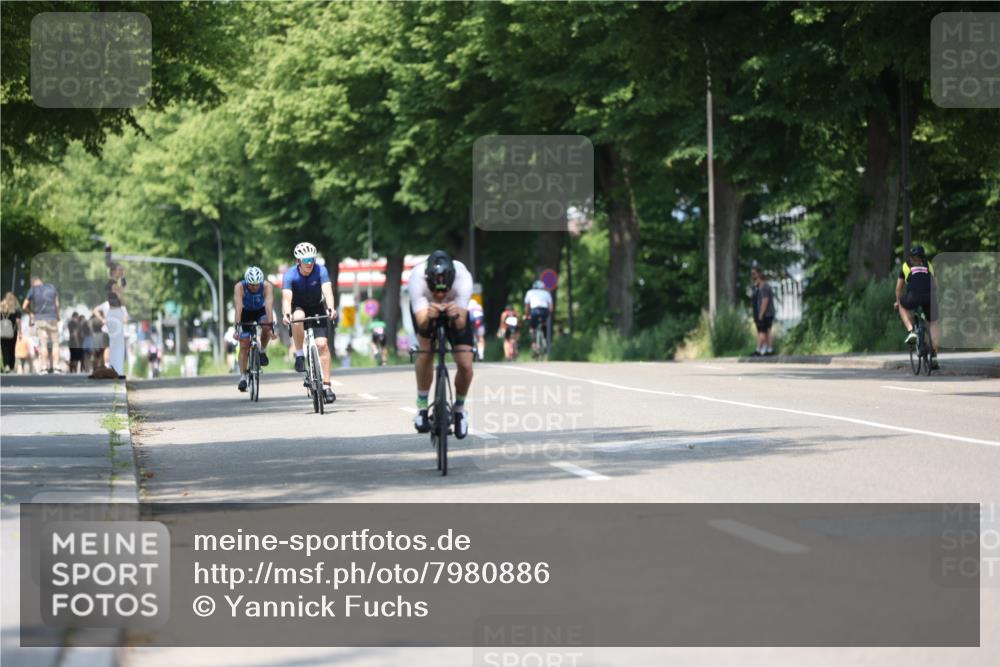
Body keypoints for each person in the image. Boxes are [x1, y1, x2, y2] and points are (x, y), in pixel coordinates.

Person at [409, 250, 474, 438]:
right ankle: (422, 407)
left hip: (455, 310)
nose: (440, 294)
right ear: (428, 280)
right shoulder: (417, 278)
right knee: (425, 351)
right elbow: (422, 324)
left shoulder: (463, 277)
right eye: (435, 290)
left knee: (465, 364)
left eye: (444, 290)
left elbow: (461, 324)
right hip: (426, 311)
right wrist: (429, 315)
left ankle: (459, 410)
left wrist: (455, 315)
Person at [281, 242, 338, 404]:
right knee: (298, 316)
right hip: (298, 306)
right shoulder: (290, 274)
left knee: (322, 345)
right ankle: (299, 354)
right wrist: (286, 314)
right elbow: (286, 298)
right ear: (298, 261)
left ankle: (327, 386)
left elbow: (328, 292)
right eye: (306, 260)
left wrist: (331, 308)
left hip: (316, 307)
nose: (309, 263)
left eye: (312, 259)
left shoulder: (321, 270)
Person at [895, 245, 940, 370]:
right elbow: (936, 285)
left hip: (913, 296)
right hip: (929, 297)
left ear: (910, 257)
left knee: (902, 305)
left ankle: (911, 331)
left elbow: (898, 289)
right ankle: (934, 357)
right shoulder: (928, 265)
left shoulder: (905, 266)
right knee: (934, 323)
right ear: (923, 257)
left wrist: (897, 302)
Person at [234, 266, 274, 392]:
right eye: (251, 285)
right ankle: (243, 377)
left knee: (266, 325)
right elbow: (238, 307)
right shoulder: (240, 287)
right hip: (245, 312)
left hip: (260, 310)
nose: (254, 287)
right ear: (247, 282)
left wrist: (271, 327)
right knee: (244, 343)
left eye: (257, 284)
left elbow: (269, 306)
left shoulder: (266, 286)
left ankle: (262, 351)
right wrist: (237, 328)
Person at [22, 276, 61, 373]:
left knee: (43, 344)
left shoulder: (33, 290)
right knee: (55, 343)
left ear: (33, 283)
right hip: (52, 317)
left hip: (40, 319)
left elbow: (24, 306)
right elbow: (57, 305)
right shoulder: (52, 287)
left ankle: (44, 368)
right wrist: (57, 316)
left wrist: (31, 313)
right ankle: (56, 367)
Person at [94, 294, 128, 378]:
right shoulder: (121, 307)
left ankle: (108, 366)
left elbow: (95, 310)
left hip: (108, 330)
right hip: (116, 332)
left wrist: (103, 319)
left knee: (108, 348)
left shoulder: (106, 304)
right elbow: (126, 319)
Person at [750, 265, 775, 356]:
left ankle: (759, 350)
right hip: (764, 313)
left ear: (759, 274)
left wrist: (760, 314)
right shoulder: (758, 287)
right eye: (752, 274)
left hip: (766, 313)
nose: (753, 276)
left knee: (763, 332)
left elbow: (765, 301)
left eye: (754, 274)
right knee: (766, 331)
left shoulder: (764, 287)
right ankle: (767, 349)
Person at [523, 280, 553, 356]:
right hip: (544, 311)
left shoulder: (529, 292)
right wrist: (548, 315)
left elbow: (527, 306)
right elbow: (550, 308)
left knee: (532, 328)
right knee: (543, 324)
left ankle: (534, 346)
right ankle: (545, 340)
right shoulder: (547, 293)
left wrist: (526, 315)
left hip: (535, 311)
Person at [1, 292, 21, 372]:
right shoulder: (16, 310)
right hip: (13, 332)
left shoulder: (1, 309)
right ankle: (11, 366)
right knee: (12, 349)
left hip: (2, 332)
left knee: (4, 349)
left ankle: (6, 365)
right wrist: (20, 332)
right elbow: (18, 321)